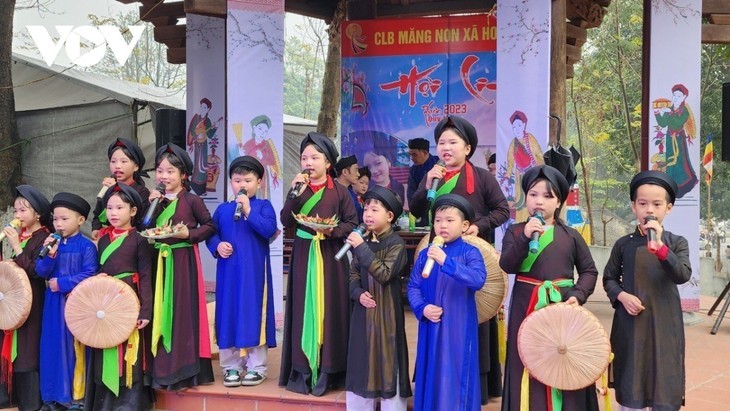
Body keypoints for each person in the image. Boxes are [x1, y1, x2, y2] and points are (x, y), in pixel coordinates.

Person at [409, 115, 510, 403]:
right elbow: (417, 210)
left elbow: (502, 210)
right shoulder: (431, 174)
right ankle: (434, 385)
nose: (446, 147)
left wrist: (478, 226)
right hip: (437, 253)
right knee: (436, 314)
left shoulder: (481, 177)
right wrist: (426, 182)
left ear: (467, 148)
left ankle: (473, 387)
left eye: (453, 142)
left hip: (469, 255)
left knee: (471, 320)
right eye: (441, 142)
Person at [498, 165, 599, 410]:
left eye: (547, 196)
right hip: (526, 306)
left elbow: (589, 271)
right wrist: (525, 238)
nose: (539, 202)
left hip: (561, 307)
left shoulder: (571, 236)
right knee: (528, 360)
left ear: (559, 202)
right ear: (526, 199)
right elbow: (508, 264)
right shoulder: (515, 232)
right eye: (533, 195)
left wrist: (577, 295)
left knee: (564, 357)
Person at [603, 170, 692, 410]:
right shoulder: (623, 245)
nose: (649, 210)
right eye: (643, 203)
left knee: (664, 379)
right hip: (631, 326)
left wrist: (661, 248)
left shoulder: (677, 243)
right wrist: (622, 296)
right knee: (632, 380)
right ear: (634, 207)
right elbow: (609, 279)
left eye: (657, 204)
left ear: (669, 208)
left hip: (665, 324)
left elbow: (683, 274)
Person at [279, 132, 358, 396]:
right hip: (303, 255)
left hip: (331, 258)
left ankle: (329, 371)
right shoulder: (298, 189)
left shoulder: (341, 192)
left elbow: (351, 223)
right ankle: (302, 371)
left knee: (331, 309)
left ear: (328, 163)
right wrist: (293, 192)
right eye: (304, 157)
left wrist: (331, 231)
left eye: (315, 157)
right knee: (303, 308)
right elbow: (286, 221)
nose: (308, 162)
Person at [407, 194, 486, 411]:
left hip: (458, 326)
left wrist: (446, 261)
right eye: (438, 220)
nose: (443, 225)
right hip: (431, 325)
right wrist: (423, 308)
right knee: (431, 370)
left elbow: (477, 280)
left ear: (464, 226)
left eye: (450, 220)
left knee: (457, 372)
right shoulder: (425, 254)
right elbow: (413, 287)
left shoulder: (471, 252)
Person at [148, 143, 216, 390]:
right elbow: (143, 225)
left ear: (183, 175)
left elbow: (209, 226)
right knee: (159, 310)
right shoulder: (155, 200)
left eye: (170, 172)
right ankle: (161, 369)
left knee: (182, 312)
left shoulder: (192, 200)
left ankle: (185, 370)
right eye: (160, 171)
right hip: (158, 261)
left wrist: (189, 234)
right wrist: (150, 205)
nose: (164, 177)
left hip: (183, 261)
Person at [206, 156, 278, 388]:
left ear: (259, 181)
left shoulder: (263, 206)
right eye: (237, 180)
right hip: (228, 273)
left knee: (254, 313)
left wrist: (248, 210)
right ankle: (231, 366)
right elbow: (210, 233)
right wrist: (217, 245)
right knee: (227, 313)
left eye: (248, 180)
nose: (242, 185)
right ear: (230, 183)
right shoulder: (223, 209)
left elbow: (268, 230)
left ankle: (257, 367)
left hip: (254, 274)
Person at [84, 184, 153, 410]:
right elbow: (95, 270)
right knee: (105, 343)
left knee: (127, 349)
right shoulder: (102, 240)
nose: (113, 213)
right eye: (110, 208)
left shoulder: (140, 240)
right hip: (105, 301)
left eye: (119, 208)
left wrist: (145, 311)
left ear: (133, 211)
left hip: (128, 300)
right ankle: (104, 402)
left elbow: (145, 277)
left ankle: (129, 403)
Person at [345, 186, 411, 410]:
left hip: (387, 315)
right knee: (361, 360)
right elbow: (352, 274)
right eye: (366, 210)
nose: (368, 215)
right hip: (363, 314)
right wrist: (357, 293)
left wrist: (361, 247)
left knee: (387, 360)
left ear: (390, 216)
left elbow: (383, 273)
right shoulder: (363, 241)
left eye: (374, 210)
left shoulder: (397, 245)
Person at [36, 193, 98, 411]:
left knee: (72, 349)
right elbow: (40, 270)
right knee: (51, 347)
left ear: (81, 220)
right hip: (53, 305)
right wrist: (49, 255)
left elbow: (90, 273)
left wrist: (61, 283)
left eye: (64, 219)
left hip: (75, 305)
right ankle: (50, 397)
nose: (59, 224)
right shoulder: (51, 244)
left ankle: (74, 398)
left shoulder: (87, 246)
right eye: (55, 219)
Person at [0, 186, 51, 411]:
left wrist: (16, 247)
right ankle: (10, 397)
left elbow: (37, 272)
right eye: (16, 211)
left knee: (29, 349)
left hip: (34, 300)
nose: (17, 216)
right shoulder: (23, 236)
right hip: (15, 300)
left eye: (23, 211)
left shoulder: (45, 237)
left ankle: (30, 402)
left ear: (37, 213)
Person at [92, 138, 151, 238]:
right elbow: (97, 215)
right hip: (106, 239)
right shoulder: (107, 189)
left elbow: (140, 222)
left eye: (124, 161)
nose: (117, 166)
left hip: (129, 241)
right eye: (113, 161)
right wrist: (96, 229)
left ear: (136, 166)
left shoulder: (141, 192)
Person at [653, 84, 698, 199]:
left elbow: (678, 123)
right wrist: (657, 112)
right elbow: (663, 123)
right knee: (669, 160)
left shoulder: (685, 111)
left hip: (678, 139)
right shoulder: (670, 109)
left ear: (683, 97)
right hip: (669, 138)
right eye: (674, 95)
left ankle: (682, 187)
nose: (676, 98)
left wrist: (669, 112)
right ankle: (669, 187)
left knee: (679, 162)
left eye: (679, 96)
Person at [503, 111, 544, 223]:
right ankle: (520, 224)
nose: (517, 129)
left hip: (532, 175)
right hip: (519, 176)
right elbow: (510, 162)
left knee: (531, 199)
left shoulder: (530, 139)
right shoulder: (513, 143)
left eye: (519, 125)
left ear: (524, 125)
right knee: (520, 203)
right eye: (514, 127)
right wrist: (507, 177)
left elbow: (540, 156)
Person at [239, 115, 282, 200]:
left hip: (262, 176)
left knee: (262, 196)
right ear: (254, 128)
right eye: (260, 129)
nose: (263, 133)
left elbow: (273, 161)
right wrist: (241, 155)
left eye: (265, 131)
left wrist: (263, 157)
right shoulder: (248, 144)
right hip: (248, 175)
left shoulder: (267, 145)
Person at [187, 98, 222, 195]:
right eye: (201, 106)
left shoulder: (208, 121)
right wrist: (196, 135)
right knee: (197, 165)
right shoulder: (195, 118)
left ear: (208, 109)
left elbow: (210, 135)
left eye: (205, 107)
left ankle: (202, 189)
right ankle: (194, 186)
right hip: (197, 145)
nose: (202, 108)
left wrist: (216, 127)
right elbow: (191, 130)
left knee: (203, 164)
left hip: (204, 145)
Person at [407, 138, 438, 207]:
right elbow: (411, 194)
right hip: (422, 208)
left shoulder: (439, 163)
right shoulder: (413, 170)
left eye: (414, 154)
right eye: (410, 155)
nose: (412, 158)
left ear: (425, 152)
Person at [335, 155, 363, 224]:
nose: (358, 174)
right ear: (345, 172)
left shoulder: (351, 192)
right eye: (356, 170)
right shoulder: (332, 192)